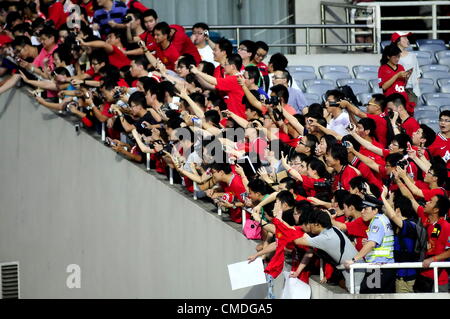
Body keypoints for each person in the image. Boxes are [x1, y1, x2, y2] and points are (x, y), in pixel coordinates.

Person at [293, 209, 365, 293]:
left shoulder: (325, 238)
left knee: (355, 294)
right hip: (357, 268)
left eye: (310, 223)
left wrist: (283, 225)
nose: (309, 226)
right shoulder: (334, 229)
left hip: (356, 272)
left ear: (317, 224)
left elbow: (297, 241)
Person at [344, 195, 396, 294]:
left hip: (378, 268)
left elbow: (372, 244)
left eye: (366, 209)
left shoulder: (377, 222)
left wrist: (354, 260)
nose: (362, 212)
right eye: (362, 209)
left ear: (375, 210)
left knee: (366, 294)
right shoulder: (382, 219)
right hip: (383, 267)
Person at [378, 43, 413, 114]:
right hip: (392, 102)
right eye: (395, 57)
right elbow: (384, 87)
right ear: (388, 56)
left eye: (398, 57)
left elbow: (402, 85)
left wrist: (406, 77)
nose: (397, 59)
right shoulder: (383, 68)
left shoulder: (401, 67)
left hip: (403, 100)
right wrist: (397, 75)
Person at [391, 31, 421, 108]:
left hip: (411, 92)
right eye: (404, 38)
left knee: (409, 117)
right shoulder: (391, 57)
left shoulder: (412, 56)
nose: (407, 40)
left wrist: (415, 89)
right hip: (397, 92)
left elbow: (417, 74)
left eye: (407, 38)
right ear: (397, 41)